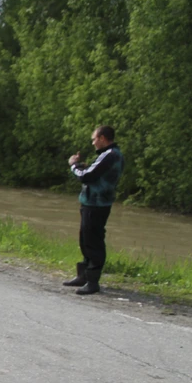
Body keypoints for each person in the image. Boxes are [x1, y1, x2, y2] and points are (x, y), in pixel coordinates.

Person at [65, 125, 124, 295]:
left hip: (97, 205)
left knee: (93, 242)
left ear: (103, 138)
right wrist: (84, 167)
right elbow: (94, 174)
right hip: (92, 203)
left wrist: (74, 165)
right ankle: (83, 275)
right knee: (85, 239)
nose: (93, 142)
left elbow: (87, 176)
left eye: (94, 138)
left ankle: (92, 281)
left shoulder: (110, 155)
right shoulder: (109, 155)